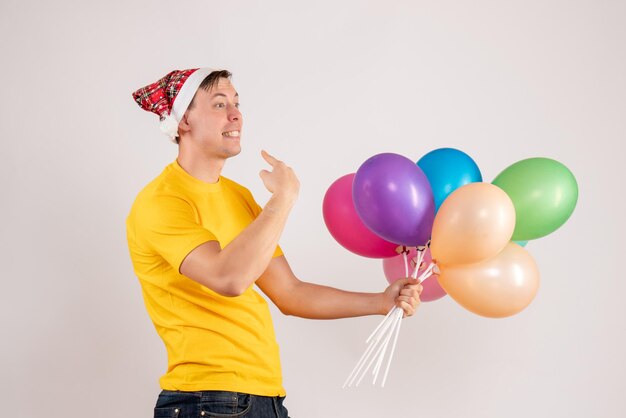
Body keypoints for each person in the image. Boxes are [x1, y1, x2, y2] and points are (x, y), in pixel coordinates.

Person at [126, 67, 423, 418]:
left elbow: (290, 292)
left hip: (262, 397)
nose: (236, 113)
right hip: (207, 398)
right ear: (183, 121)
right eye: (219, 104)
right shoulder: (161, 201)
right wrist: (282, 199)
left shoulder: (238, 197)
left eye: (237, 103)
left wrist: (380, 301)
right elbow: (229, 278)